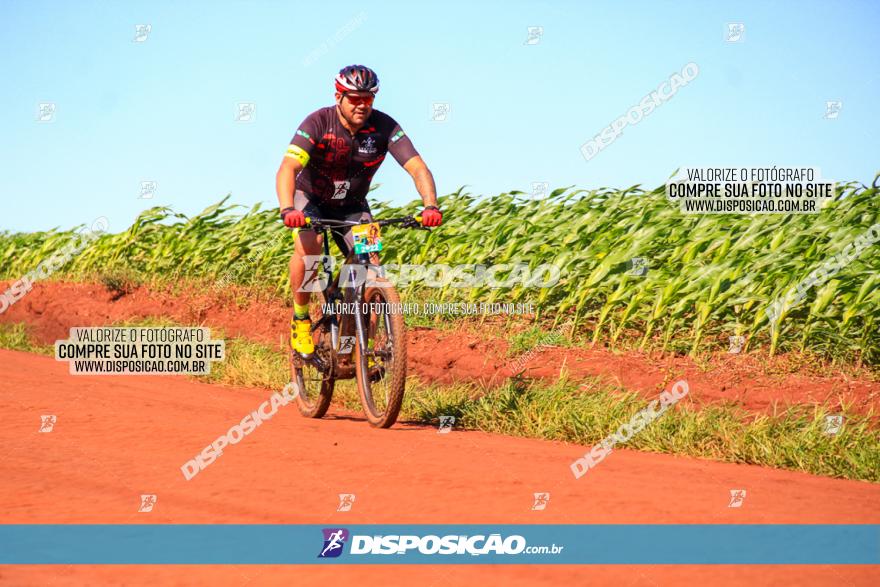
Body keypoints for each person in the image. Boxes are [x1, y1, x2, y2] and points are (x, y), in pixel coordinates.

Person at [276, 64, 442, 356]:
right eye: (354, 98)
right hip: (310, 200)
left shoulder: (384, 127)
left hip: (353, 207)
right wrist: (288, 208)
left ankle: (363, 349)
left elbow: (418, 167)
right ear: (338, 96)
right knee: (312, 251)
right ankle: (301, 318)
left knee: (372, 266)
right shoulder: (318, 122)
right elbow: (288, 167)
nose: (362, 105)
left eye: (368, 98)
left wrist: (430, 204)